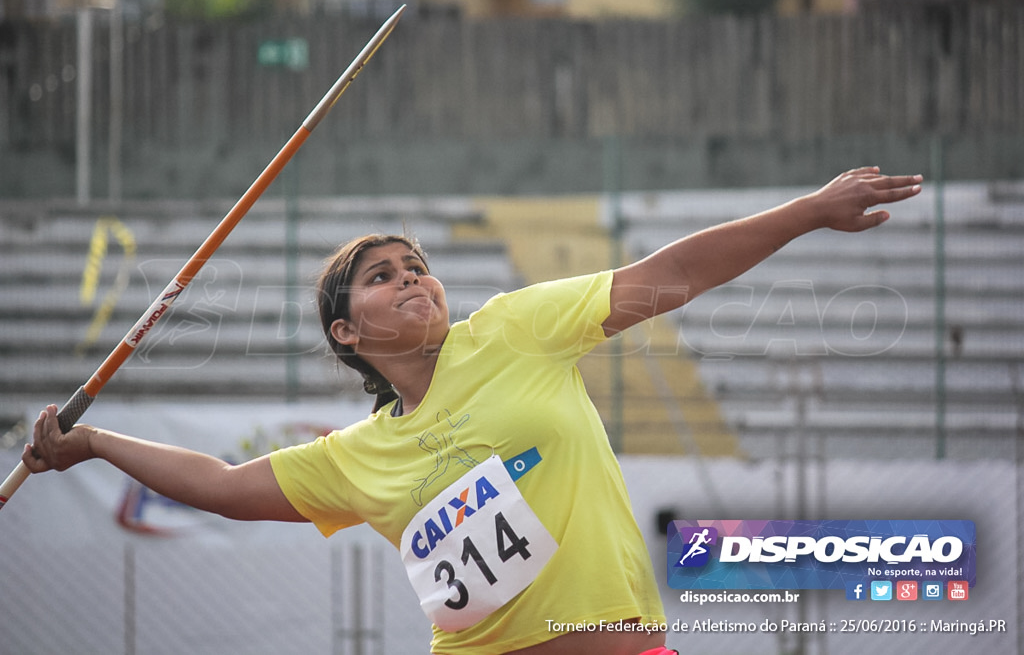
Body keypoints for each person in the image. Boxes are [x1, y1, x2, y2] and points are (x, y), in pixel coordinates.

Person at [24, 167, 923, 655]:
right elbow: (219, 484)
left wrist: (808, 210)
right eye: (384, 275)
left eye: (417, 265)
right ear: (346, 330)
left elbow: (671, 276)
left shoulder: (514, 331)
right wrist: (92, 442)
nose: (412, 276)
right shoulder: (355, 457)